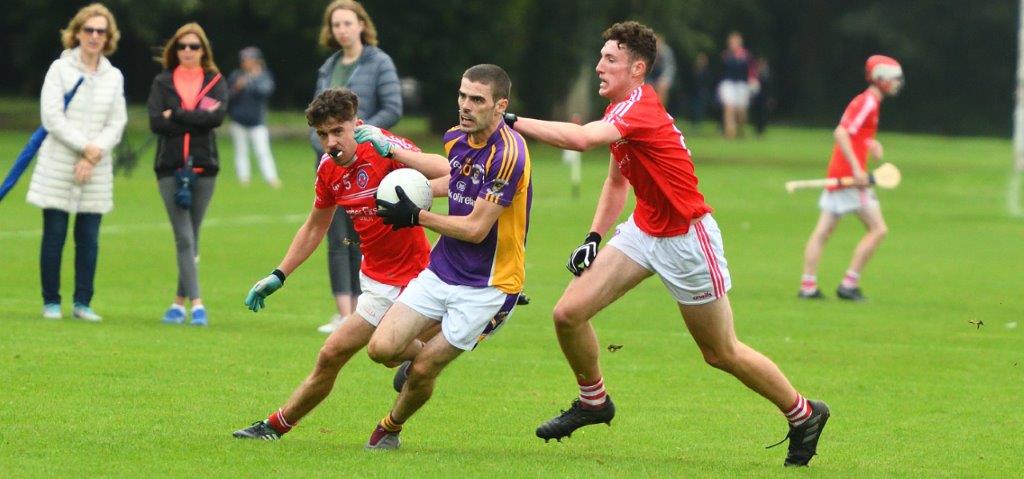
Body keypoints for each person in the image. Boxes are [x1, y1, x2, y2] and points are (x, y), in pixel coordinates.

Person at [506, 21, 829, 467]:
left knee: (721, 352)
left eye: (610, 60)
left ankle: (804, 413)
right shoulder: (621, 111)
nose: (599, 66)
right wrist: (594, 237)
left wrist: (511, 121)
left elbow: (581, 141)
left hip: (687, 238)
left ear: (637, 69)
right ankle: (594, 401)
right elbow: (617, 181)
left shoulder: (638, 108)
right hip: (645, 230)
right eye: (600, 57)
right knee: (568, 314)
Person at [232, 87, 449, 441]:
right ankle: (275, 427)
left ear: (356, 125)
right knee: (331, 354)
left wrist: (391, 151)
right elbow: (315, 225)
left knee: (387, 352)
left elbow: (448, 171)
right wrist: (279, 274)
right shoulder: (328, 170)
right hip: (376, 282)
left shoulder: (383, 147)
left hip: (417, 280)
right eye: (322, 134)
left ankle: (432, 354)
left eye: (338, 131)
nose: (331, 142)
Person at [359, 64, 531, 450]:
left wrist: (416, 216)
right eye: (462, 96)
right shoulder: (456, 138)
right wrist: (400, 192)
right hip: (442, 270)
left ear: (500, 106)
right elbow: (454, 183)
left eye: (477, 100)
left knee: (423, 369)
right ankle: (422, 362)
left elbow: (475, 229)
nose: (465, 106)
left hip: (489, 285)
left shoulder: (509, 155)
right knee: (381, 349)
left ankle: (390, 427)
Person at [26, 2, 127, 322]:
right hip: (59, 162)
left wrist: (94, 152)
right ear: (78, 32)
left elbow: (117, 121)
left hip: (96, 168)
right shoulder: (60, 69)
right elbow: (52, 117)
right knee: (54, 234)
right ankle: (51, 301)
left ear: (108, 36)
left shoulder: (114, 76)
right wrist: (85, 148)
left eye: (101, 31)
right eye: (89, 30)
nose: (95, 36)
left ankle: (83, 302)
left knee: (89, 238)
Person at [312, 0, 403, 334]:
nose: (342, 30)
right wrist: (325, 143)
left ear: (362, 25)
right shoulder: (329, 66)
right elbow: (316, 115)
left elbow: (393, 107)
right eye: (336, 24)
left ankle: (370, 308)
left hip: (372, 163)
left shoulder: (379, 62)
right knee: (335, 237)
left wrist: (361, 138)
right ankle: (343, 313)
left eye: (348, 23)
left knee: (366, 235)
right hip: (330, 163)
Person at [798, 55, 904, 302]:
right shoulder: (867, 102)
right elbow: (842, 133)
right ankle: (849, 283)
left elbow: (855, 134)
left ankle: (808, 285)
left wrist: (870, 144)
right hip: (851, 178)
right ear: (880, 79)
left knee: (823, 231)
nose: (898, 83)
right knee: (878, 229)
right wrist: (857, 169)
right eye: (894, 78)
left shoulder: (869, 103)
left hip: (839, 173)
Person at [147, 23, 228, 326]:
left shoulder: (215, 80)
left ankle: (177, 304)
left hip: (204, 167)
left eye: (194, 47)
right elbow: (156, 122)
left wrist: (177, 114)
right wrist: (195, 119)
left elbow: (216, 118)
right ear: (174, 50)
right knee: (183, 236)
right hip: (169, 167)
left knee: (191, 236)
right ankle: (198, 305)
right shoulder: (162, 81)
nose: (188, 52)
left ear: (204, 50)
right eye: (182, 46)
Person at [227, 46, 279, 188]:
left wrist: (253, 81)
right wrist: (237, 88)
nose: (245, 62)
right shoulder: (236, 75)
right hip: (238, 120)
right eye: (244, 59)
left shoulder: (264, 76)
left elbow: (266, 91)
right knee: (241, 152)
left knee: (263, 152)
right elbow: (228, 97)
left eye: (249, 59)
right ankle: (244, 179)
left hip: (257, 121)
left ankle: (271, 178)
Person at [718, 31, 754, 139]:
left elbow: (751, 70)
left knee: (741, 112)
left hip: (742, 84)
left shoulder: (746, 56)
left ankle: (740, 129)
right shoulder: (726, 55)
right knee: (729, 107)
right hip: (728, 83)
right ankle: (730, 133)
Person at [646, 34, 676, 109]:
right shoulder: (647, 52)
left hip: (662, 75)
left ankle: (661, 110)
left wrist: (664, 80)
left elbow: (669, 68)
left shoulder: (666, 52)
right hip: (649, 76)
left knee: (662, 87)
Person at [749, 56, 773, 136]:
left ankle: (762, 130)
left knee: (763, 113)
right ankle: (757, 129)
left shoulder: (767, 74)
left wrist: (770, 98)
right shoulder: (755, 73)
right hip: (756, 97)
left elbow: (770, 87)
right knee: (756, 113)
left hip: (764, 97)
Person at [690, 52, 712, 129]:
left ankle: (698, 122)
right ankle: (694, 122)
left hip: (702, 92)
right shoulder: (694, 70)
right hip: (694, 92)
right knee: (694, 107)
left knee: (700, 107)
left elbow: (708, 82)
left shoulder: (706, 71)